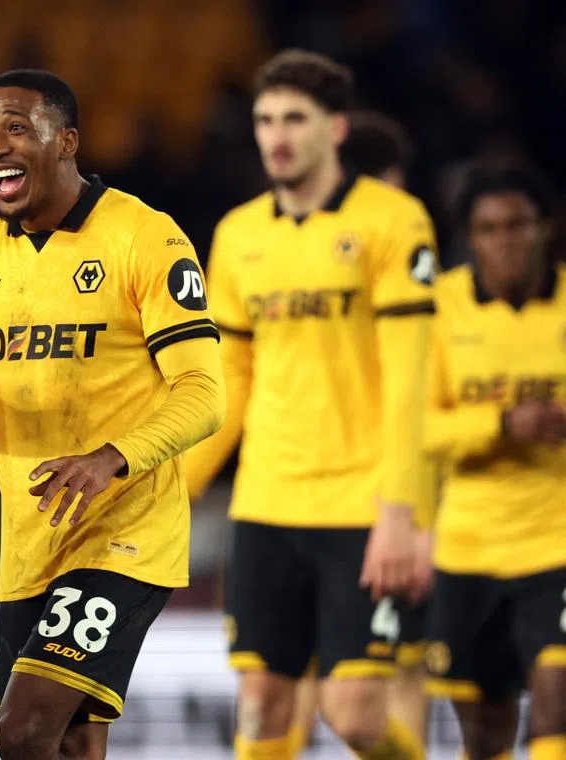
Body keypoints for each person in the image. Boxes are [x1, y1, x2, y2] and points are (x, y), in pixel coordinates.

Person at [184, 50, 438, 760]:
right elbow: (228, 377)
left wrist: (402, 512)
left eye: (295, 118)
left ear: (336, 126)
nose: (277, 136)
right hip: (267, 505)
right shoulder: (239, 234)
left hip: (362, 507)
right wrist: (179, 486)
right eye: (265, 121)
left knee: (354, 715)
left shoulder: (394, 221)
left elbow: (411, 377)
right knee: (263, 707)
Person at [0, 69, 226, 760]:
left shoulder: (145, 237)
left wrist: (110, 458)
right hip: (28, 541)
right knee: (74, 742)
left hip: (124, 531)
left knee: (23, 734)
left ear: (67, 142)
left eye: (17, 128)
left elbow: (204, 393)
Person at [286, 109, 436, 755]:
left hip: (349, 501)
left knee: (363, 683)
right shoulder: (371, 273)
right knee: (344, 686)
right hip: (348, 501)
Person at [424, 165, 566, 760]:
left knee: (557, 700)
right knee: (484, 733)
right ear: (471, 238)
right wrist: (502, 424)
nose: (505, 239)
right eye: (488, 228)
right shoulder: (441, 309)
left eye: (517, 225)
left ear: (545, 229)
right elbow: (418, 429)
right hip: (467, 549)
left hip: (555, 542)